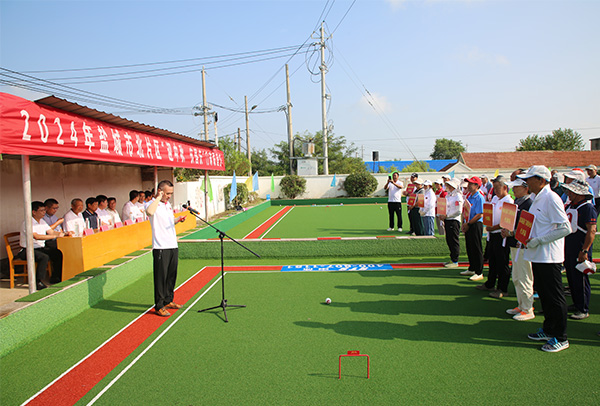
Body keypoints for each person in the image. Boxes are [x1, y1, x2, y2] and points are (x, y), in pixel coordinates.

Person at [518, 165, 572, 352]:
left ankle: (561, 337)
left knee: (555, 297)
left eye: (530, 179)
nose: (526, 182)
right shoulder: (536, 198)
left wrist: (539, 240)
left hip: (549, 256)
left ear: (541, 180)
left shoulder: (551, 198)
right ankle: (549, 329)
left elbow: (565, 228)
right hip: (537, 255)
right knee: (545, 295)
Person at [146, 180, 187, 317]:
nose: (169, 196)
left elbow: (168, 222)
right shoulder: (152, 204)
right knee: (161, 277)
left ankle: (168, 300)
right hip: (160, 246)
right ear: (160, 191)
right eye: (167, 193)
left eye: (171, 193)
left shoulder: (167, 205)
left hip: (172, 245)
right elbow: (149, 212)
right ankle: (159, 305)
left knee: (171, 275)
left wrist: (178, 219)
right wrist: (158, 197)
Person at [562, 180, 597, 320]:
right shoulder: (571, 206)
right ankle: (576, 303)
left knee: (580, 279)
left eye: (572, 192)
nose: (569, 194)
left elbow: (591, 231)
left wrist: (585, 250)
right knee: (571, 277)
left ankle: (583, 308)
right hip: (569, 247)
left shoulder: (587, 208)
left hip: (579, 247)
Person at [501, 178, 534, 321]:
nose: (513, 190)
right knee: (516, 276)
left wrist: (511, 232)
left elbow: (528, 226)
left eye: (517, 187)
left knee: (524, 276)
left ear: (526, 188)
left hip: (522, 245)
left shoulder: (529, 204)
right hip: (514, 243)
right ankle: (521, 305)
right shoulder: (517, 202)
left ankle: (527, 308)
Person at [476, 176, 514, 298]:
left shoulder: (509, 201)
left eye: (497, 188)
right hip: (492, 234)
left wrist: (493, 227)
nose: (495, 191)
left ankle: (502, 288)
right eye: (494, 188)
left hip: (501, 236)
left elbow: (507, 221)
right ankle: (490, 283)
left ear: (505, 187)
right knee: (492, 261)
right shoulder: (495, 198)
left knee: (502, 262)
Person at [16, 201, 65, 289]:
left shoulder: (42, 221)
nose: (44, 212)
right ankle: (38, 282)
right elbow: (37, 236)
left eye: (44, 210)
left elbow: (50, 231)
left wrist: (63, 233)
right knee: (44, 257)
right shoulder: (28, 223)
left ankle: (55, 277)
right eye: (41, 210)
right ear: (34, 212)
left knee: (57, 253)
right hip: (27, 250)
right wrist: (54, 236)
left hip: (40, 248)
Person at [460, 176, 485, 281]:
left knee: (476, 247)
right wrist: (464, 223)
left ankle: (479, 271)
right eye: (469, 183)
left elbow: (480, 214)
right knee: (470, 247)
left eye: (471, 184)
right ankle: (472, 267)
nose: (469, 186)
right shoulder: (469, 196)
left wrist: (469, 224)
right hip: (469, 224)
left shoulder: (479, 197)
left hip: (475, 224)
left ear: (477, 185)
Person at [440, 178, 463, 268]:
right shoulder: (448, 195)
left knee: (454, 240)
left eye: (450, 185)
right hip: (448, 219)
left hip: (454, 220)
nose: (448, 187)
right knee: (449, 240)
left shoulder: (458, 196)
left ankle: (455, 260)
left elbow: (458, 211)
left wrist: (447, 215)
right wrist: (442, 215)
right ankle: (452, 258)